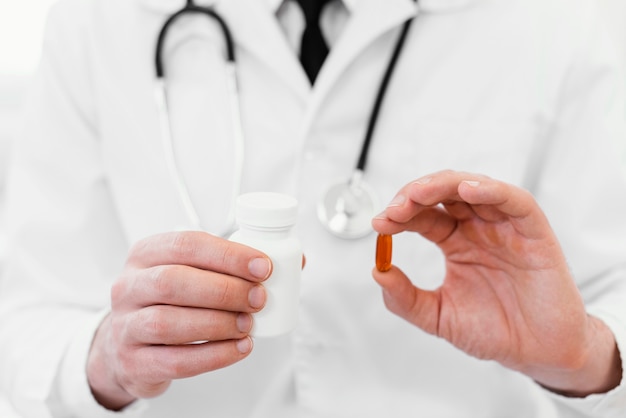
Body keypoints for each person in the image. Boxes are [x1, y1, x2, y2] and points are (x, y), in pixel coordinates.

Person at [1, 0, 626, 417]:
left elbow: (615, 291)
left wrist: (584, 356)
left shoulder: (560, 18)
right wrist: (104, 360)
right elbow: (24, 319)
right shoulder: (99, 18)